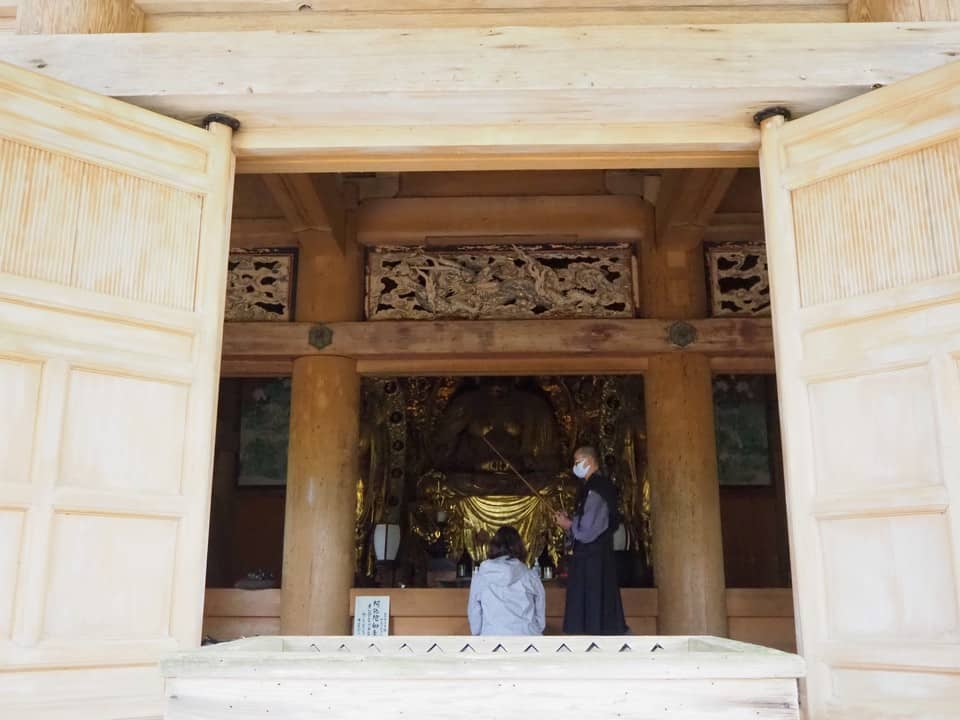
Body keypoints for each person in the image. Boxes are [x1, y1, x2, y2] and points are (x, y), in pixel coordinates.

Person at [554, 446, 628, 635]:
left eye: (578, 462)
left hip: (594, 557)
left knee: (593, 602)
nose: (575, 466)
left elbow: (588, 529)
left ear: (590, 461)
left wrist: (569, 525)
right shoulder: (590, 488)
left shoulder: (597, 489)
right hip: (592, 555)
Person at [467, 525, 545, 636]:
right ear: (519, 547)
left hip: (492, 642)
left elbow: (475, 620)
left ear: (493, 546)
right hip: (527, 641)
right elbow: (541, 621)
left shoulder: (480, 577)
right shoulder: (530, 576)